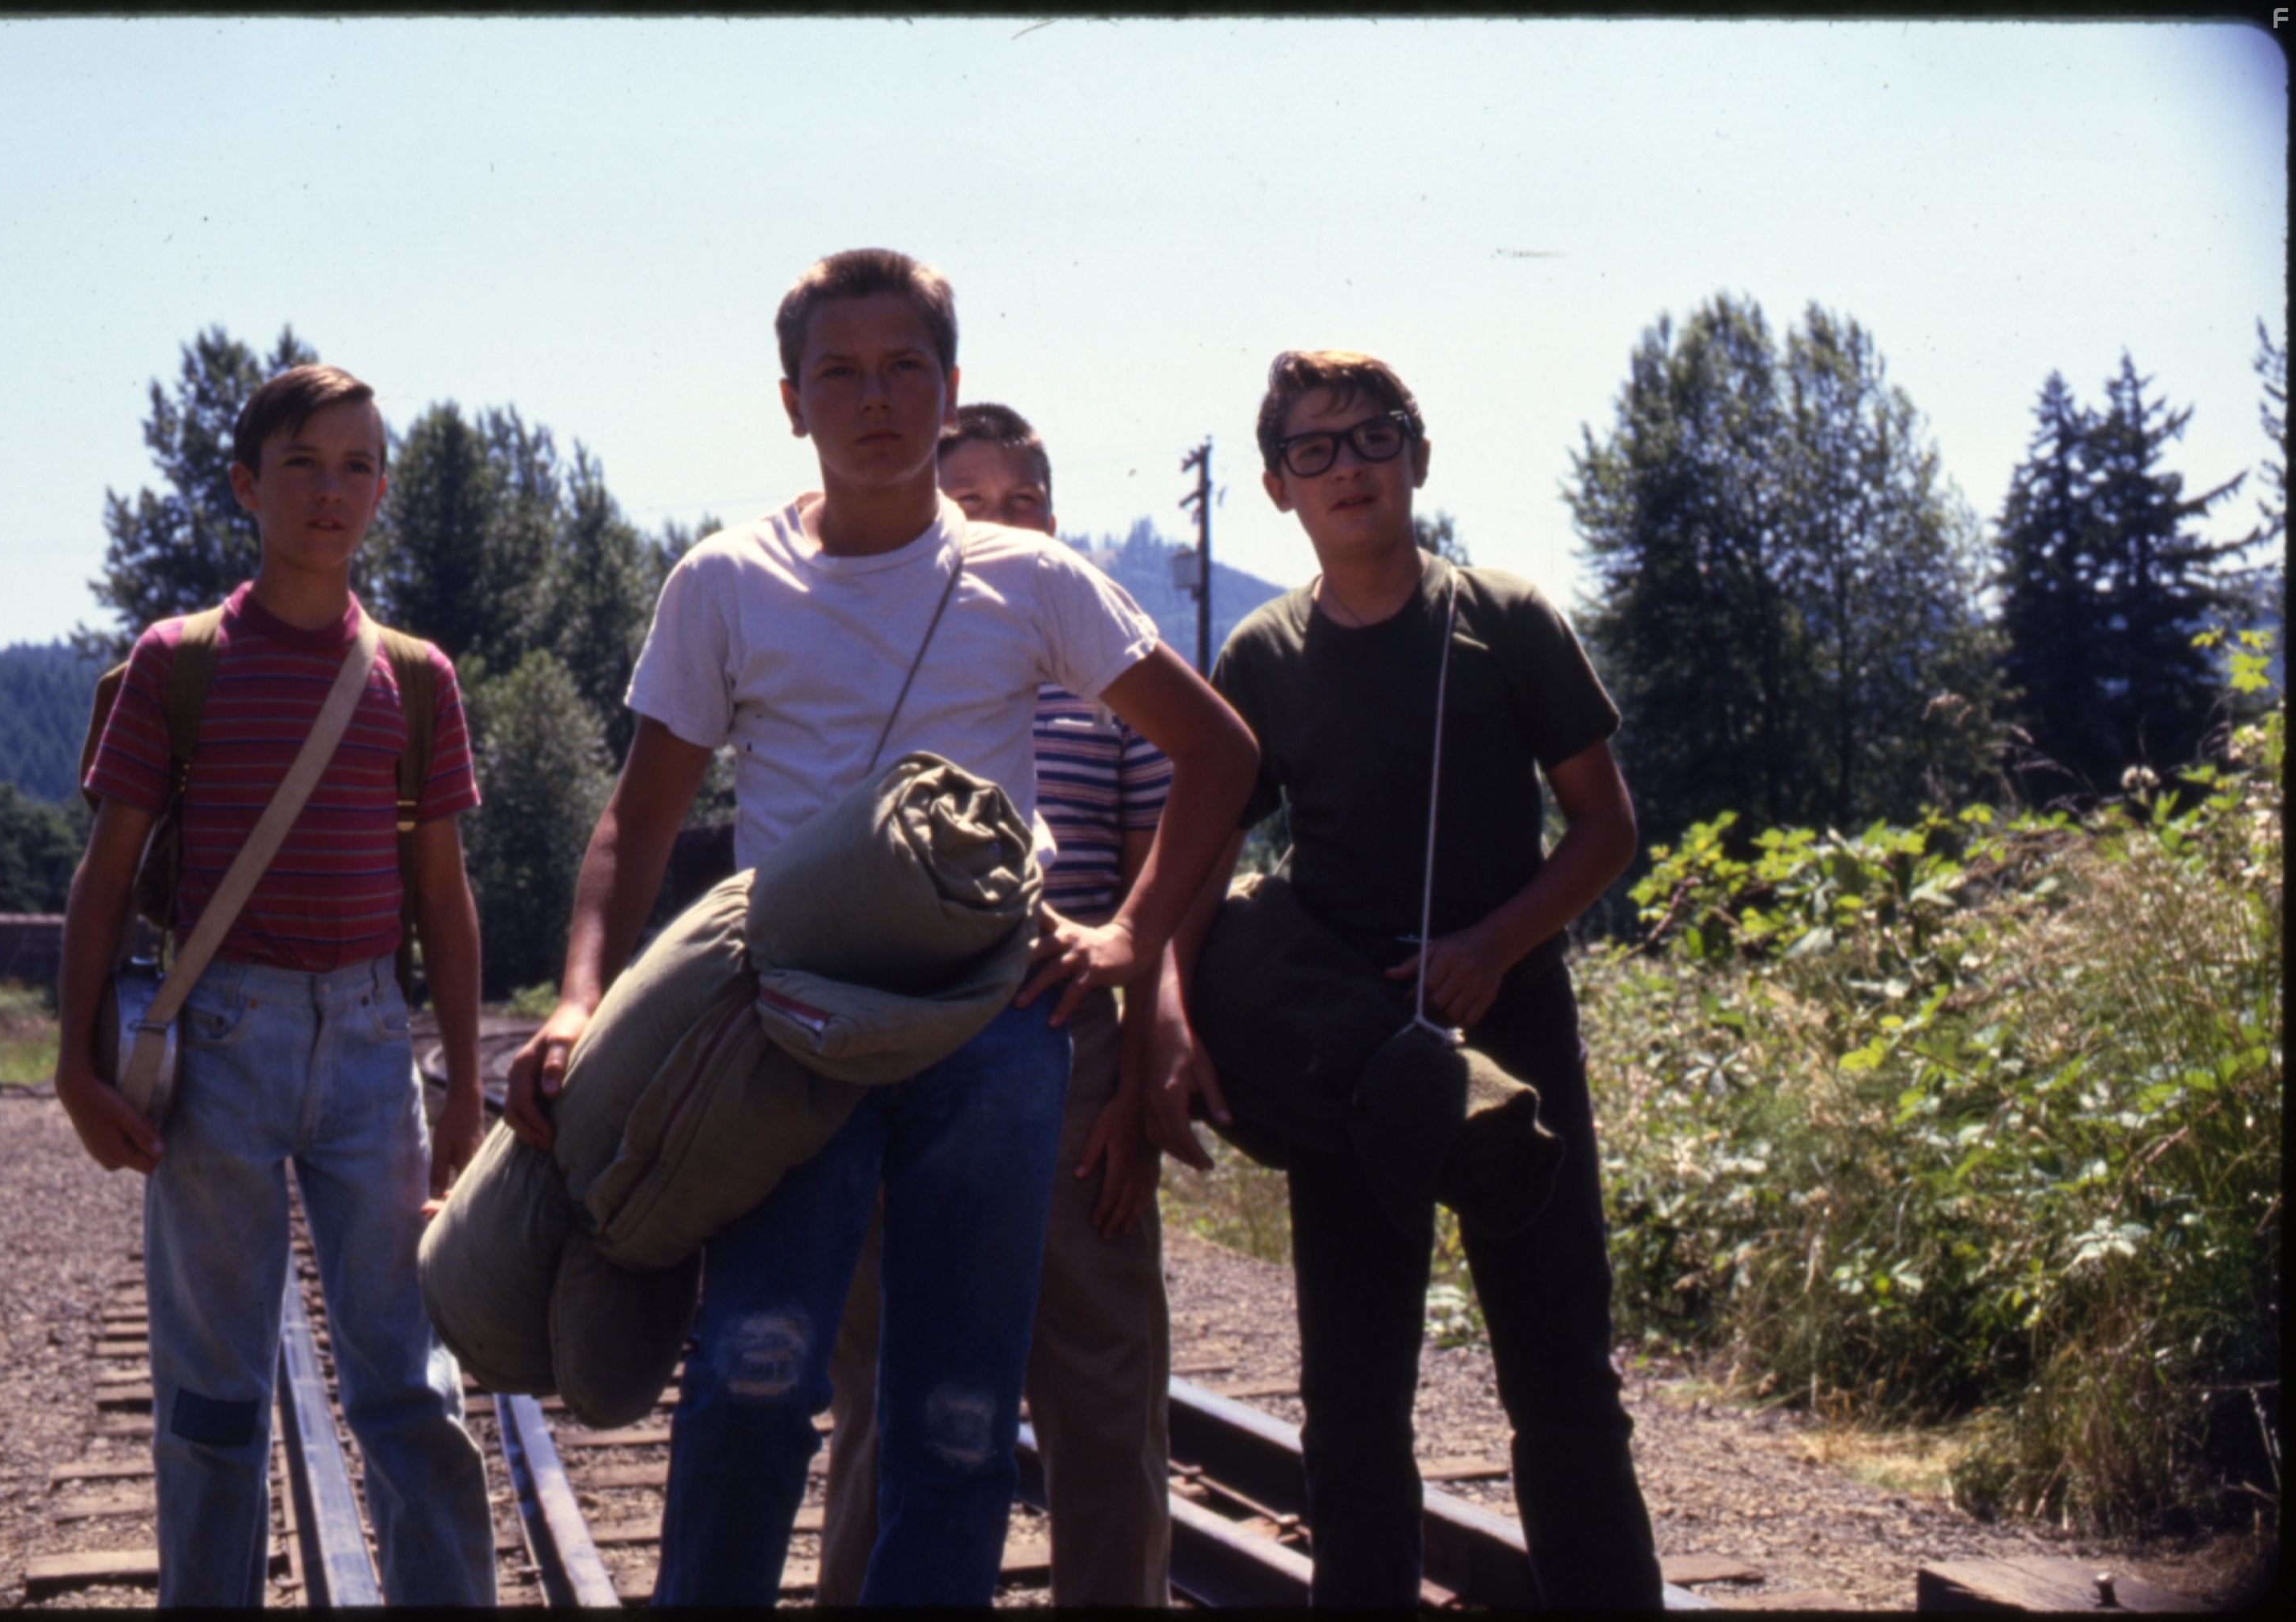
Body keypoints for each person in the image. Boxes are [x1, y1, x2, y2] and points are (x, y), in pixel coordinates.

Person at [501, 248, 1256, 1608]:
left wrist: (1131, 938)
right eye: (839, 372)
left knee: (958, 1419)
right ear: (791, 401)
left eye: (906, 367)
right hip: (788, 1034)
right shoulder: (726, 584)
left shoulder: (1034, 581)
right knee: (752, 1369)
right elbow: (638, 819)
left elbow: (1218, 752)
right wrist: (575, 998)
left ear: (950, 385)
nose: (876, 399)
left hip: (993, 1041)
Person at [1147, 350, 1663, 1608]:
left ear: (1416, 455)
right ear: (1278, 488)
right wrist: (1166, 1010)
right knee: (1355, 1393)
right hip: (1350, 1058)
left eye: (1371, 437)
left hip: (1516, 1038)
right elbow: (1202, 846)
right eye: (1314, 450)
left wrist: (1495, 942)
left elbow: (1606, 829)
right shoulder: (1265, 656)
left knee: (1560, 1374)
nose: (1349, 468)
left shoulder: (1508, 620)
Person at [57, 364, 497, 1607]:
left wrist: (464, 1087)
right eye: (303, 463)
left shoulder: (417, 679)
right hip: (225, 1044)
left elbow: (445, 899)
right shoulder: (176, 663)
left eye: (359, 465)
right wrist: (75, 1066)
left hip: (369, 1043)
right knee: (211, 1395)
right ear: (247, 485)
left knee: (412, 1384)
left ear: (384, 492)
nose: (332, 489)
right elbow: (107, 872)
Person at [817, 403, 1179, 1608]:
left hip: (1067, 1054)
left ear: (1056, 522)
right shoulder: (894, 677)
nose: (999, 524)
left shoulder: (1112, 687)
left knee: (1106, 1388)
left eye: (1023, 504)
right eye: (968, 502)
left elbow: (1155, 892)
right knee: (884, 1388)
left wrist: (1138, 1079)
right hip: (905, 1053)